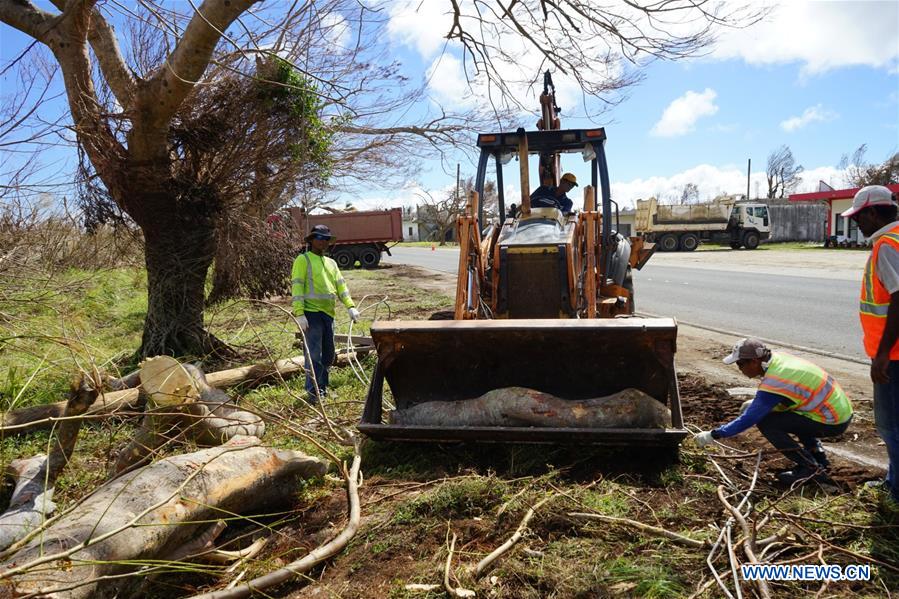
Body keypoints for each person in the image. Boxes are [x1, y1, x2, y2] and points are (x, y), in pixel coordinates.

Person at [694, 338, 853, 485]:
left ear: (754, 362)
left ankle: (810, 469)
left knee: (767, 422)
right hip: (836, 411)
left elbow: (749, 419)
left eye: (740, 364)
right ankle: (818, 456)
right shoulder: (778, 359)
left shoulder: (775, 381)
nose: (740, 369)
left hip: (831, 421)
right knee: (783, 413)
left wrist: (714, 434)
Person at [841, 184, 899, 507]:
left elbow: (898, 300)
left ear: (874, 213)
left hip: (894, 356)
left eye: (859, 218)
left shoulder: (887, 246)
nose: (856, 225)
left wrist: (881, 356)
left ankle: (897, 491)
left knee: (891, 426)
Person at [291, 224, 360, 404]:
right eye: (320, 238)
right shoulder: (303, 260)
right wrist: (299, 313)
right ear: (312, 240)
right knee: (313, 355)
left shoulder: (331, 263)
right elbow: (297, 286)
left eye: (326, 239)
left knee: (328, 354)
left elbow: (341, 286)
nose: (323, 242)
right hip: (311, 314)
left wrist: (350, 306)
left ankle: (323, 388)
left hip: (328, 314)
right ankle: (314, 393)